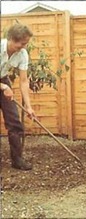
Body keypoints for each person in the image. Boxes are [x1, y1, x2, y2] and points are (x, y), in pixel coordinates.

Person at [0, 23, 35, 170]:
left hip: (3, 80)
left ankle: (17, 160)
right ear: (10, 40)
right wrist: (3, 87)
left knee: (14, 122)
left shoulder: (22, 54)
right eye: (21, 44)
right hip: (3, 85)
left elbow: (23, 81)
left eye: (26, 44)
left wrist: (28, 106)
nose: (23, 47)